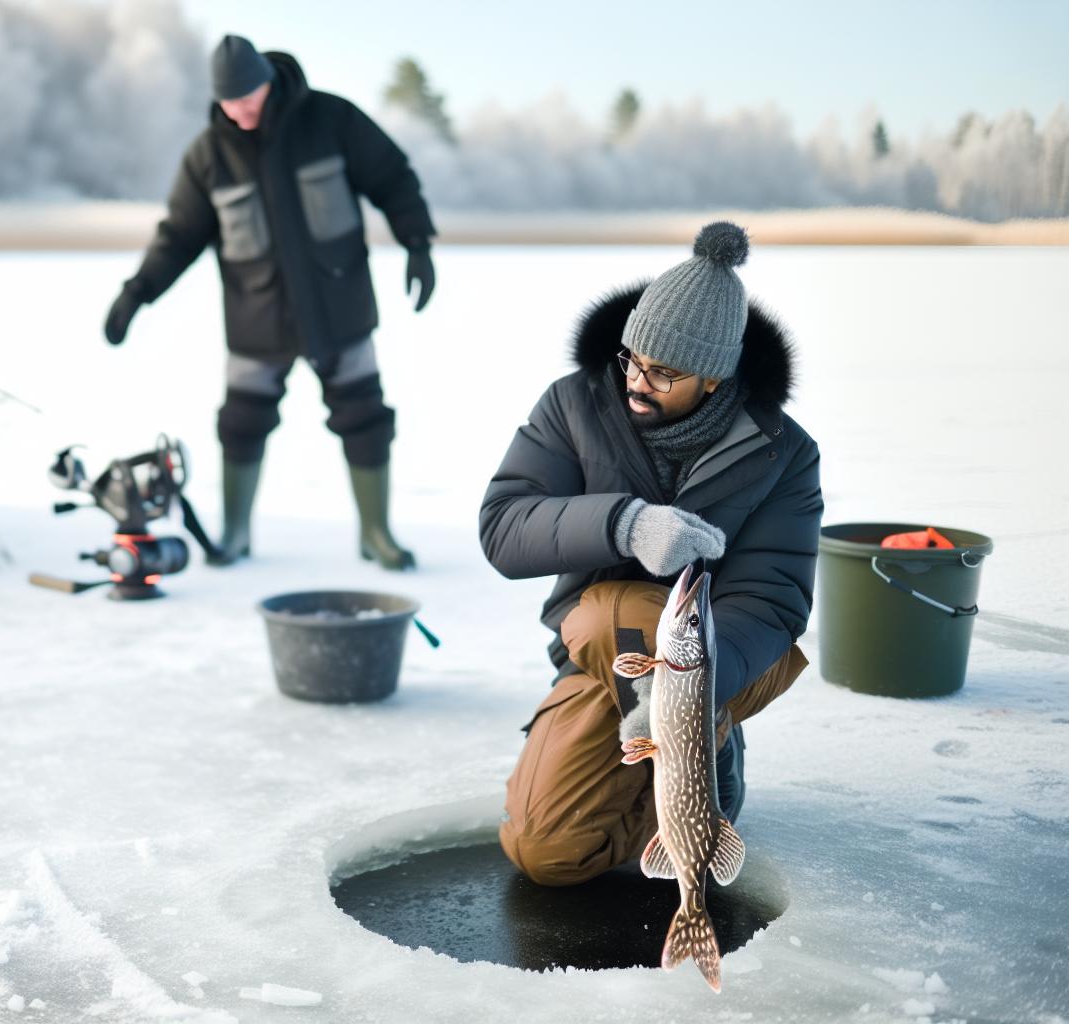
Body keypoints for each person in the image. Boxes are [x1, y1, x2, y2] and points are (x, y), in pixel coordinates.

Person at [479, 223, 822, 885]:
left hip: (723, 659)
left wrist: (688, 693)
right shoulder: (574, 404)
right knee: (545, 851)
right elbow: (504, 527)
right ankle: (660, 794)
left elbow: (773, 601)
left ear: (717, 380)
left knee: (617, 610)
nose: (637, 380)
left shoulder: (783, 451)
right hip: (599, 650)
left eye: (663, 373)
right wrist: (625, 525)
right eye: (632, 359)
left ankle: (708, 776)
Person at [104, 35, 438, 570]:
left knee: (365, 416)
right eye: (230, 102)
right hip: (255, 319)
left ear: (268, 79)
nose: (242, 110)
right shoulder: (208, 155)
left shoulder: (330, 120)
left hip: (339, 308)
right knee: (240, 422)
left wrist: (417, 243)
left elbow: (391, 177)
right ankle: (235, 533)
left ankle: (376, 532)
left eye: (249, 96)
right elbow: (179, 236)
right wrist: (136, 292)